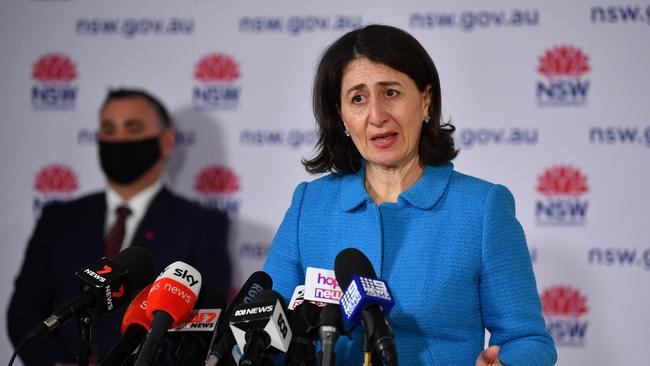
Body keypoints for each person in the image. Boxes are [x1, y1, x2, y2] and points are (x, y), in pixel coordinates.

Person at [264, 24, 556, 365]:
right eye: (358, 98)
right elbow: (265, 330)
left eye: (391, 93)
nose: (376, 116)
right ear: (342, 116)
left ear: (426, 99)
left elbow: (528, 340)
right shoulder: (309, 206)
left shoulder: (481, 208)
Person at [7, 88, 232, 365]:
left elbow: (201, 323)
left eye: (132, 129)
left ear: (166, 142)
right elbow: (24, 310)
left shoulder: (202, 225)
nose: (119, 140)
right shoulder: (59, 219)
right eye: (109, 130)